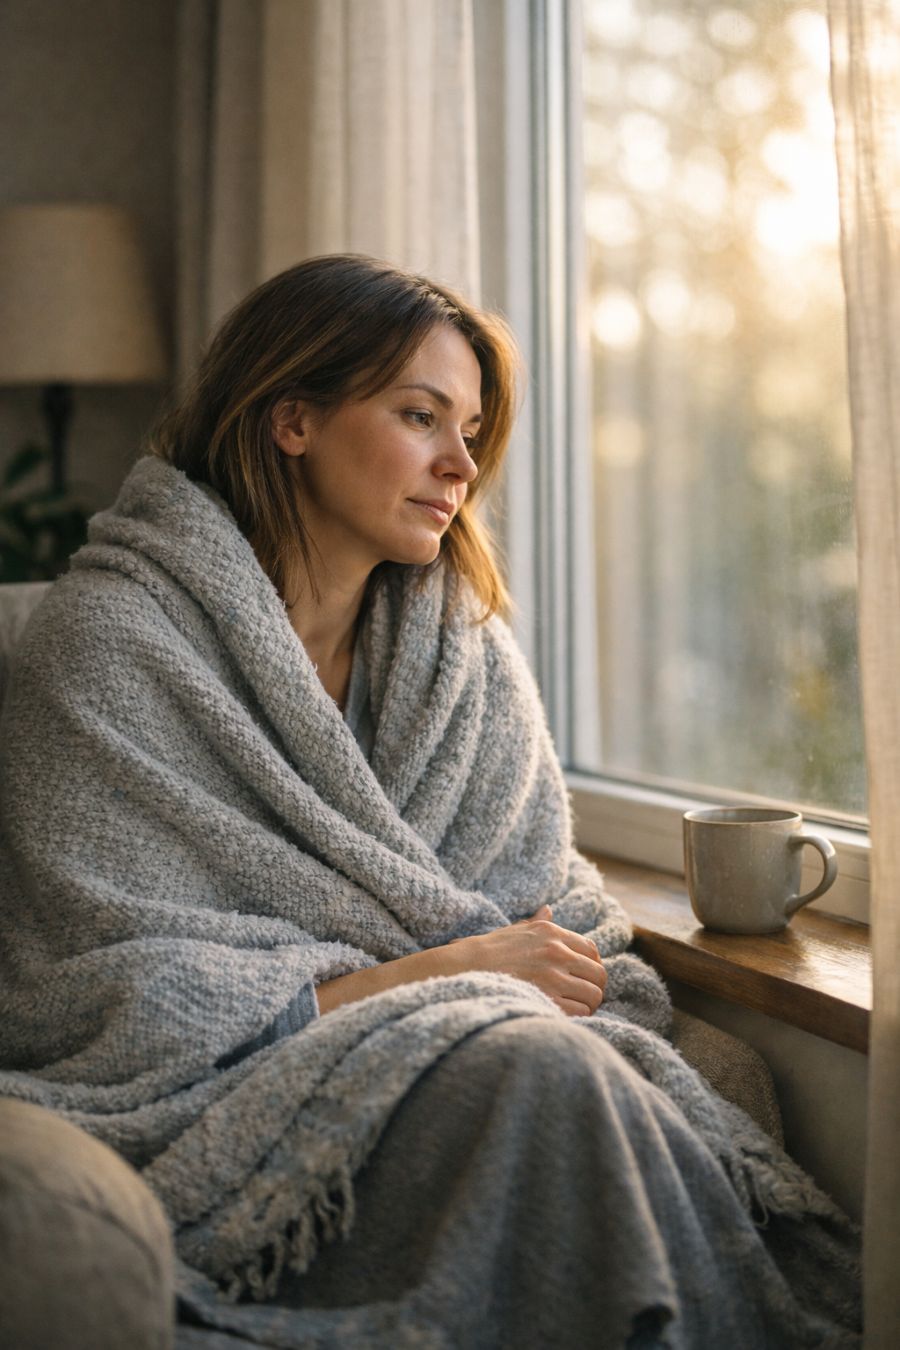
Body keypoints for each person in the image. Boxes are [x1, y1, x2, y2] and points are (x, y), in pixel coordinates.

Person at [0, 255, 860, 1348]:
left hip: (463, 1053)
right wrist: (449, 972)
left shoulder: (461, 652)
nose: (461, 464)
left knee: (556, 1069)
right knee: (545, 1070)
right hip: (238, 1101)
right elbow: (105, 989)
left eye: (471, 431)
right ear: (292, 419)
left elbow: (555, 918)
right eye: (420, 416)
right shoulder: (110, 646)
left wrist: (482, 977)